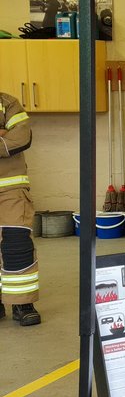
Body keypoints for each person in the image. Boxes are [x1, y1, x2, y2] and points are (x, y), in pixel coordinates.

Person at [0, 91, 38, 325]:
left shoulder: (7, 103)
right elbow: (9, 139)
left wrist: (8, 136)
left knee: (17, 243)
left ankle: (22, 303)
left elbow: (21, 137)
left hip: (11, 190)